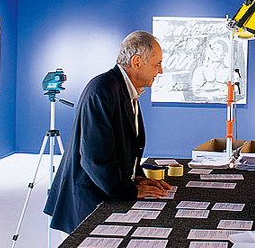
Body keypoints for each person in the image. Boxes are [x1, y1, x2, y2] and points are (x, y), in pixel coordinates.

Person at [44, 30, 170, 233]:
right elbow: (95, 158)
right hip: (90, 202)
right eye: (157, 64)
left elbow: (126, 146)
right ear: (137, 62)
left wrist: (136, 177)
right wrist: (128, 191)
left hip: (104, 194)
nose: (160, 71)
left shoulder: (123, 89)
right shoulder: (103, 89)